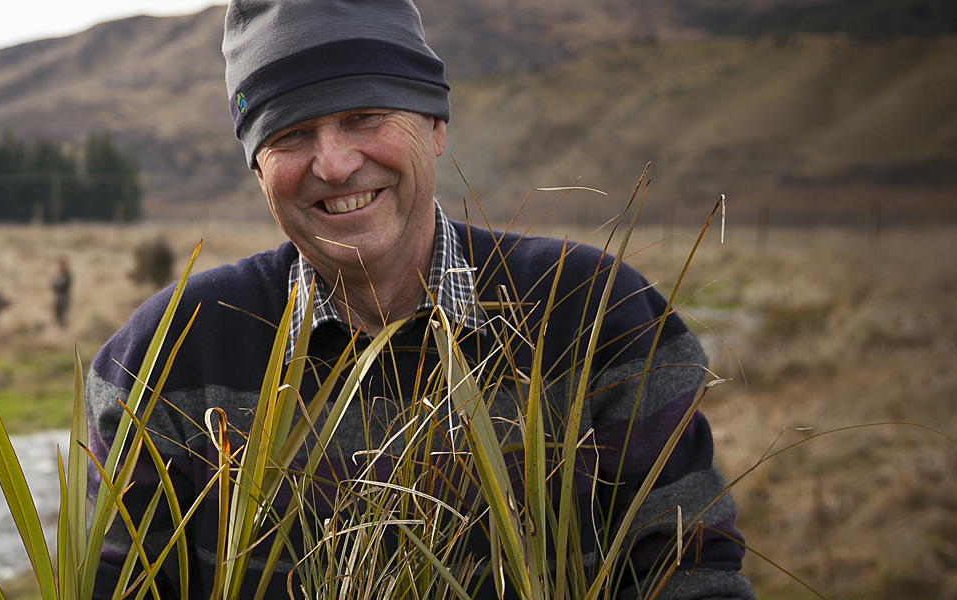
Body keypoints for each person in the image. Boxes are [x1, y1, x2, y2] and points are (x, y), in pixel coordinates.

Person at [84, 1, 755, 599]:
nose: (336, 164)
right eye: (289, 134)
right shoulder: (168, 354)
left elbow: (693, 574)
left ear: (435, 125)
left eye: (363, 116)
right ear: (258, 167)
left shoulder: (598, 314)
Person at [51, 258, 72, 329]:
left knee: (64, 314)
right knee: (57, 314)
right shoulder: (58, 275)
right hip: (58, 298)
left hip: (64, 297)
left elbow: (65, 285)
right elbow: (53, 285)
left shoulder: (67, 275)